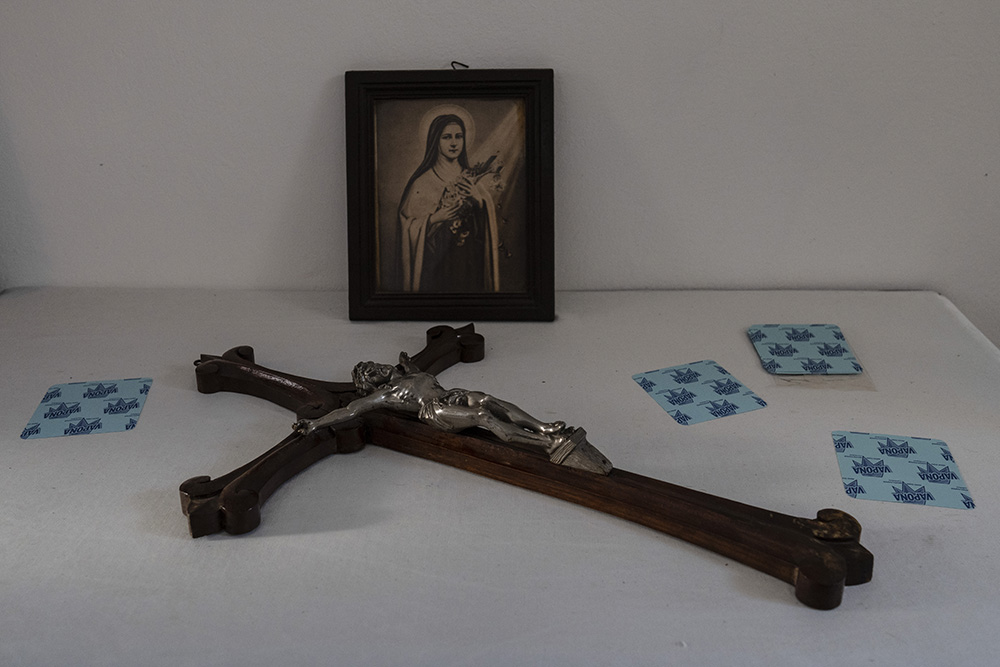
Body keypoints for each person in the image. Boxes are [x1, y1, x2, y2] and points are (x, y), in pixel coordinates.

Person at [293, 353, 613, 474]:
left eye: (371, 363)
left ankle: (545, 429)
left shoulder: (408, 373)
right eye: (369, 372)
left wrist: (407, 362)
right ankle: (545, 447)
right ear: (370, 384)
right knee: (483, 419)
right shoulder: (387, 394)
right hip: (436, 411)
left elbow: (417, 371)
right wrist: (315, 423)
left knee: (489, 400)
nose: (375, 367)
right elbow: (350, 410)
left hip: (452, 395)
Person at [397, 113, 500, 293]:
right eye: (446, 137)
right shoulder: (421, 183)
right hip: (436, 265)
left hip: (469, 262)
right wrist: (434, 218)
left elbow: (486, 227)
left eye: (458, 136)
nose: (454, 143)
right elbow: (406, 225)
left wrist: (479, 200)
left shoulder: (472, 179)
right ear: (435, 141)